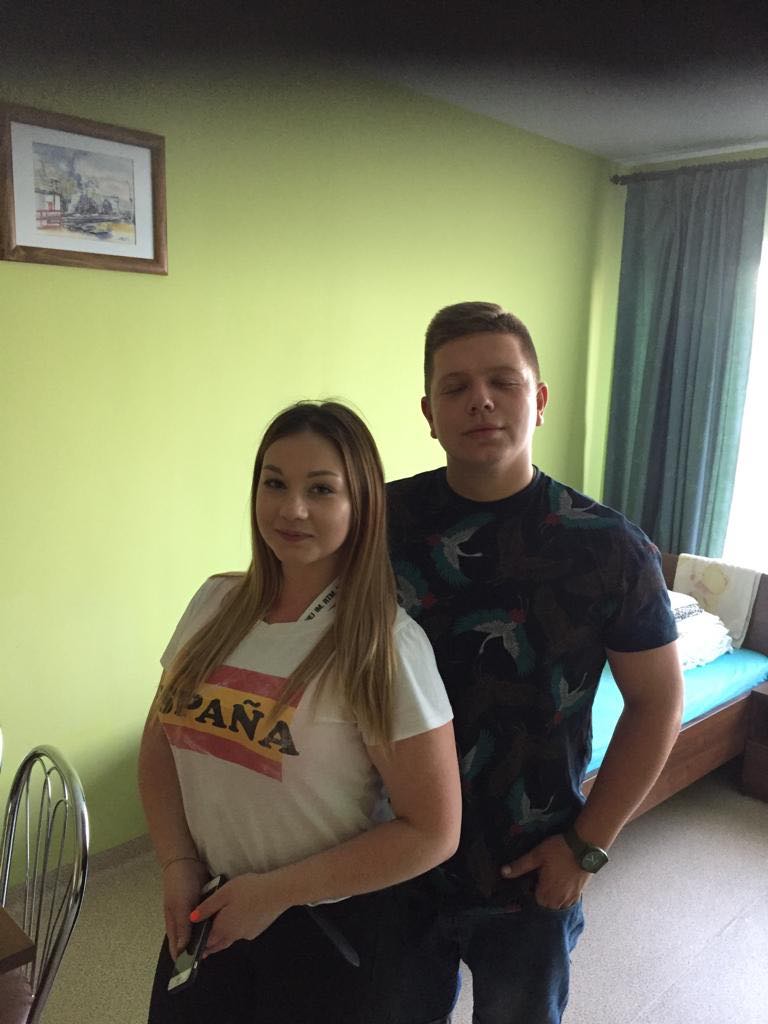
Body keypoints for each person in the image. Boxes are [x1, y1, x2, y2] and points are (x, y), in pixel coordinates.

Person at [387, 302, 685, 1024]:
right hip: (389, 858)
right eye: (455, 387)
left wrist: (586, 848)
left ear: (540, 399)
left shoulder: (610, 547)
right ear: (429, 413)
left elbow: (657, 703)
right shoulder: (377, 524)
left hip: (531, 868)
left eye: (503, 381)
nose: (480, 400)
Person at [139, 400, 462, 1024]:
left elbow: (433, 831)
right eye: (275, 483)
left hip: (324, 927)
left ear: (360, 504)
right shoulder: (214, 603)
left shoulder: (385, 647)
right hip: (211, 906)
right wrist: (177, 862)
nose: (292, 509)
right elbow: (160, 743)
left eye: (321, 489)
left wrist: (275, 893)